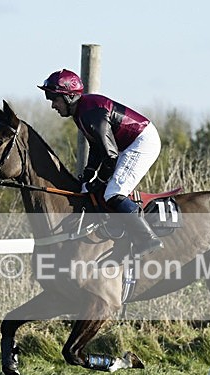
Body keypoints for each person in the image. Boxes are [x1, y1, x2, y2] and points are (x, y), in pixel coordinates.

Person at [38, 69, 164, 257]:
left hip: (141, 142)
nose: (53, 105)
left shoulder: (90, 113)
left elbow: (110, 155)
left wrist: (100, 179)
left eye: (54, 99)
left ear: (70, 97)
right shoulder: (81, 112)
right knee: (96, 190)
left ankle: (148, 238)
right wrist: (89, 172)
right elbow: (97, 146)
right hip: (129, 144)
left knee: (113, 192)